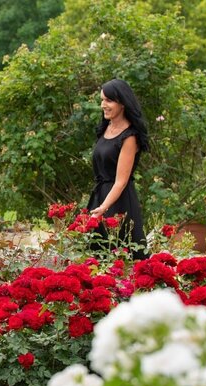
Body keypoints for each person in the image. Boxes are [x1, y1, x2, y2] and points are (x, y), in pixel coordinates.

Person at [87, 79, 148, 260]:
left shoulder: (129, 137)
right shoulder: (106, 128)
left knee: (122, 258)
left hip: (118, 203)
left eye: (108, 100)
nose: (103, 105)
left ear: (122, 103)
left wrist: (104, 208)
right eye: (102, 100)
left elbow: (121, 181)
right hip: (99, 197)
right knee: (96, 259)